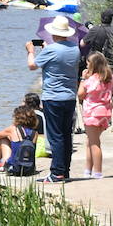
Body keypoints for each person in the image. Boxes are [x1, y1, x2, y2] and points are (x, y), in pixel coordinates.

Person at [27, 16, 82, 183]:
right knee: (66, 135)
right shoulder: (74, 48)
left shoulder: (50, 50)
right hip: (70, 97)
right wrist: (48, 48)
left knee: (55, 136)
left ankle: (56, 173)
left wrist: (31, 50)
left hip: (53, 97)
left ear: (52, 33)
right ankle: (64, 171)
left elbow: (32, 65)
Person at [77, 50, 113, 180]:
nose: (86, 65)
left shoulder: (91, 80)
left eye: (88, 63)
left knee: (94, 143)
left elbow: (80, 94)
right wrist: (111, 92)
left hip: (92, 113)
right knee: (90, 141)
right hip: (104, 113)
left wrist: (83, 79)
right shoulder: (108, 77)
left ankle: (98, 172)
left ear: (93, 65)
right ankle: (88, 170)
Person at [0, 105, 39, 174]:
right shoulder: (35, 133)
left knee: (3, 139)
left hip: (13, 168)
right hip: (29, 169)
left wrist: (10, 137)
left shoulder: (13, 129)